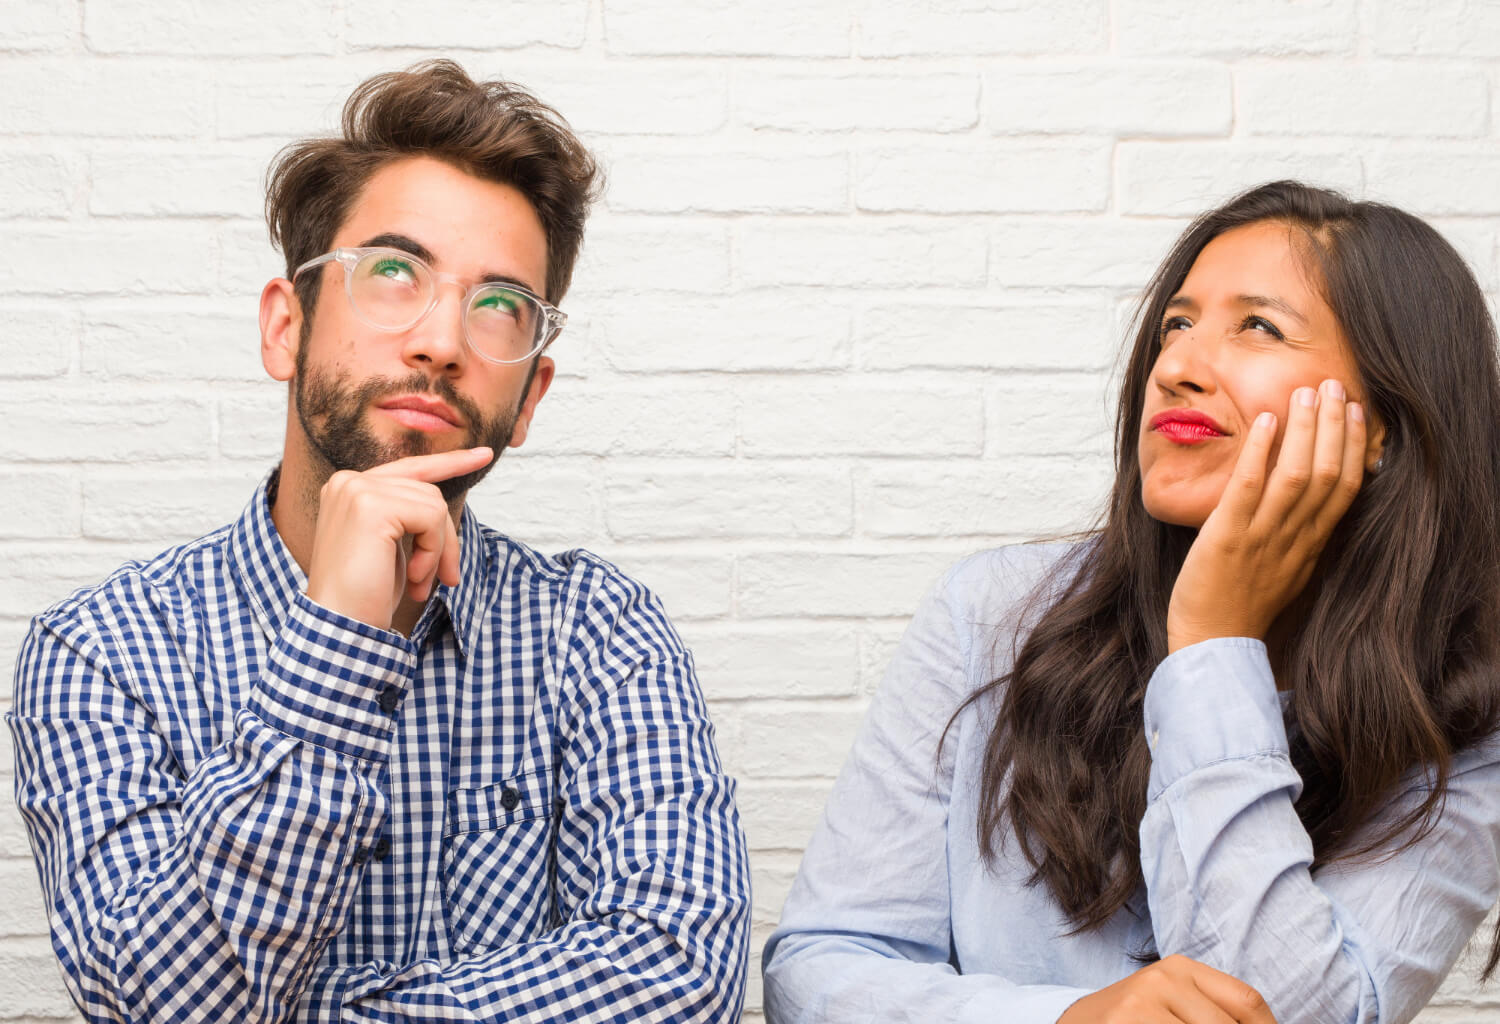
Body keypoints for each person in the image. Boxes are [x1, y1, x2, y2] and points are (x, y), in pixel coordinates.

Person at [9, 61, 749, 1024]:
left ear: (528, 399)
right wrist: (338, 641)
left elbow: (681, 974)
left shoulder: (598, 632)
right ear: (286, 327)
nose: (443, 338)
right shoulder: (100, 653)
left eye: (499, 306)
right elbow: (168, 1006)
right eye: (393, 273)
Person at [762, 181, 1500, 1024]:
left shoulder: (1467, 727)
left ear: (1382, 429)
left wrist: (1213, 647)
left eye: (1257, 327)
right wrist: (1066, 1021)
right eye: (1176, 325)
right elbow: (816, 972)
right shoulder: (994, 614)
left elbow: (1296, 1014)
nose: (1177, 366)